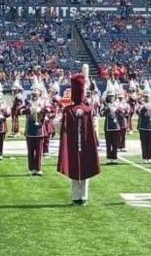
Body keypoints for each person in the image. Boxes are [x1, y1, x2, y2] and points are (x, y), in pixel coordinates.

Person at [58, 66, 101, 205]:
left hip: (73, 143)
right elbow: (94, 126)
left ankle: (76, 196)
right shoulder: (88, 110)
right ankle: (83, 196)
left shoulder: (68, 110)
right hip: (86, 143)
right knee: (84, 168)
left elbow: (60, 127)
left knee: (75, 168)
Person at [22, 92, 48, 175]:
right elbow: (20, 111)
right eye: (33, 95)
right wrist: (30, 110)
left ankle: (38, 169)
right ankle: (31, 169)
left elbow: (50, 109)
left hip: (39, 131)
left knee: (39, 152)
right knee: (30, 151)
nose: (34, 96)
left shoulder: (43, 103)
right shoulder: (28, 103)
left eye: (36, 95)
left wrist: (41, 110)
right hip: (29, 130)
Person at [136, 90, 151, 164]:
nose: (146, 98)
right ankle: (144, 157)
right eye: (145, 96)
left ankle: (149, 157)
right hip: (142, 125)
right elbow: (137, 112)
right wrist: (142, 107)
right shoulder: (141, 104)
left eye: (147, 96)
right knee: (143, 142)